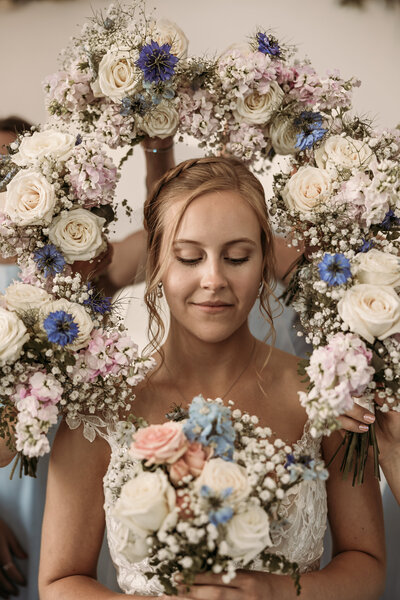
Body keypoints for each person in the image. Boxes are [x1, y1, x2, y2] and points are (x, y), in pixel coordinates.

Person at [39, 156, 385, 599]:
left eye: (237, 257)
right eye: (189, 257)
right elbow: (59, 581)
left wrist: (272, 592)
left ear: (263, 262)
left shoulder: (323, 394)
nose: (213, 279)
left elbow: (367, 563)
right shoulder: (101, 404)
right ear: (159, 261)